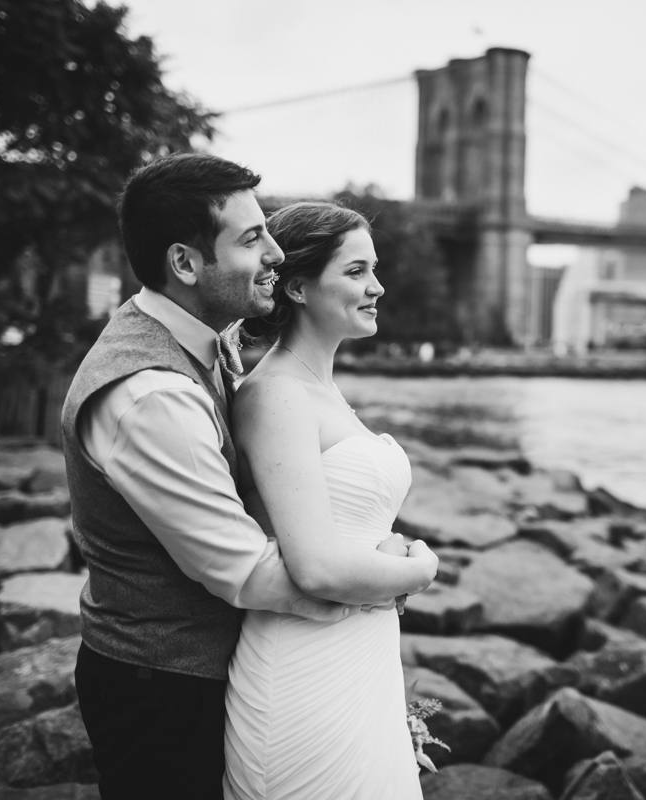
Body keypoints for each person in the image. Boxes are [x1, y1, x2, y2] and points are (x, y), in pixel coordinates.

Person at [59, 154, 438, 800]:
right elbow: (251, 570)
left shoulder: (212, 343)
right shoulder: (151, 394)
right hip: (160, 682)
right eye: (252, 237)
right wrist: (408, 572)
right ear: (185, 264)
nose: (274, 253)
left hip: (236, 661)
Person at [224, 202, 432, 799]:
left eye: (375, 270)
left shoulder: (320, 391)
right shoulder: (278, 395)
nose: (378, 286)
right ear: (297, 285)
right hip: (304, 672)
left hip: (357, 661)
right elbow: (314, 566)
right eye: (357, 271)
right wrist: (418, 570)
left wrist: (382, 551)